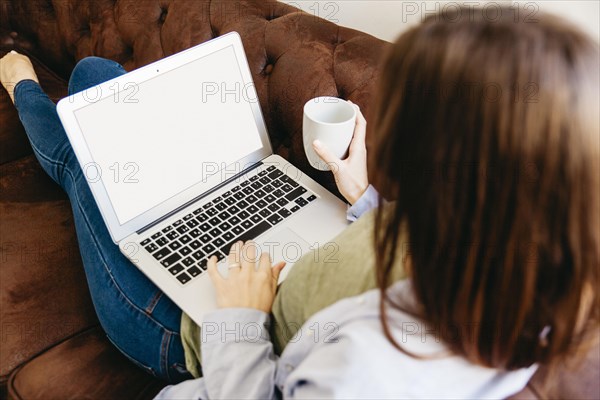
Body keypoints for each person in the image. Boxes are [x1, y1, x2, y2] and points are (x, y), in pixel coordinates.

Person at [1, 5, 598, 398]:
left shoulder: (372, 372)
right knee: (97, 77)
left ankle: (21, 82)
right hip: (275, 268)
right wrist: (365, 198)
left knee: (90, 152)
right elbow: (422, 251)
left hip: (183, 324)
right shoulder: (531, 270)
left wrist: (240, 316)